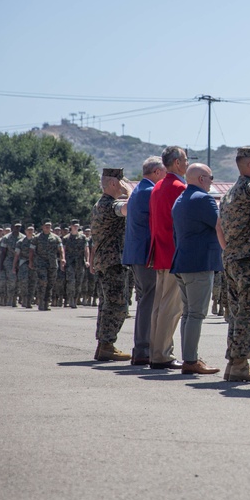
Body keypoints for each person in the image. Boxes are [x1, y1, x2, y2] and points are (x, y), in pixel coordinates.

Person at [219, 146, 250, 382]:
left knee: (237, 314)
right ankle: (239, 363)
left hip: (232, 259)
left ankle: (235, 363)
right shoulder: (249, 187)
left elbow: (218, 226)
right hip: (247, 262)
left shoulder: (229, 192)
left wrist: (228, 249)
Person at [171, 163, 224, 375]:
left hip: (183, 262)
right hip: (199, 264)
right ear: (202, 178)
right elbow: (220, 225)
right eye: (211, 177)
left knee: (188, 313)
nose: (212, 181)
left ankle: (189, 358)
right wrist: (228, 249)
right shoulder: (203, 199)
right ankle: (191, 361)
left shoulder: (180, 200)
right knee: (196, 314)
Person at [147, 146, 189, 370]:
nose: (187, 163)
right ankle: (162, 354)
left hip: (160, 252)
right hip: (174, 253)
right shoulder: (179, 187)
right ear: (177, 163)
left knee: (159, 307)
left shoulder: (158, 186)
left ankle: (157, 351)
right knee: (171, 309)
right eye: (185, 159)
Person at [121, 156, 166, 366]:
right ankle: (142, 349)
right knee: (149, 299)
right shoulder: (150, 191)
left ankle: (142, 348)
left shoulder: (139, 189)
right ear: (157, 172)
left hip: (136, 254)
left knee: (145, 299)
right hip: (145, 254)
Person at [89, 168, 132, 361]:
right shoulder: (109, 205)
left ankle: (104, 345)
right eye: (122, 181)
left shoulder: (99, 204)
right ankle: (106, 344)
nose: (124, 184)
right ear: (114, 184)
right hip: (113, 261)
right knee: (118, 305)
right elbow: (128, 209)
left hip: (104, 261)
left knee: (106, 305)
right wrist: (130, 192)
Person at [30, 221, 65, 311]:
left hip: (52, 263)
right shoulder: (37, 238)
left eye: (49, 226)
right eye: (46, 226)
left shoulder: (56, 238)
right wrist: (31, 261)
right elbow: (32, 251)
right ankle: (41, 301)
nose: (47, 227)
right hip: (41, 263)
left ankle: (46, 302)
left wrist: (62, 258)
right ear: (42, 227)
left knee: (50, 283)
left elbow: (61, 249)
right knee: (43, 281)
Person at [63, 220, 88, 308]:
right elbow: (64, 250)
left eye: (77, 226)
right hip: (70, 263)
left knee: (78, 282)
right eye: (74, 226)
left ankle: (75, 298)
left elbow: (86, 249)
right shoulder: (66, 238)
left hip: (80, 263)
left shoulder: (83, 237)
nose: (75, 227)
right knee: (71, 281)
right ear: (71, 226)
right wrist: (63, 261)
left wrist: (87, 260)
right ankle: (70, 299)